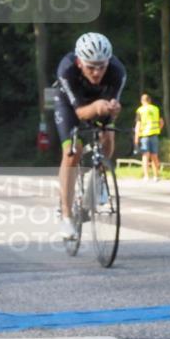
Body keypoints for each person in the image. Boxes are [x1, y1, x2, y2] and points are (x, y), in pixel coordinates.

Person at [54, 32, 126, 239]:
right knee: (71, 153)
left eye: (101, 66)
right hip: (69, 103)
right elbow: (80, 113)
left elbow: (113, 106)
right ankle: (67, 217)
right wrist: (95, 107)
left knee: (108, 135)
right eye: (90, 67)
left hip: (99, 100)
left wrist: (113, 108)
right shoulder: (66, 69)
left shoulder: (117, 71)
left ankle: (98, 177)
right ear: (79, 62)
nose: (96, 72)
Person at [134, 93, 164, 182]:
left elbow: (138, 124)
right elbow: (161, 122)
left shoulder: (140, 110)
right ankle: (156, 176)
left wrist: (136, 138)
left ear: (142, 101)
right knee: (154, 155)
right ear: (150, 100)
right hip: (154, 135)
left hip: (144, 136)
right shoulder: (156, 109)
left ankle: (146, 176)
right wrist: (158, 129)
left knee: (145, 156)